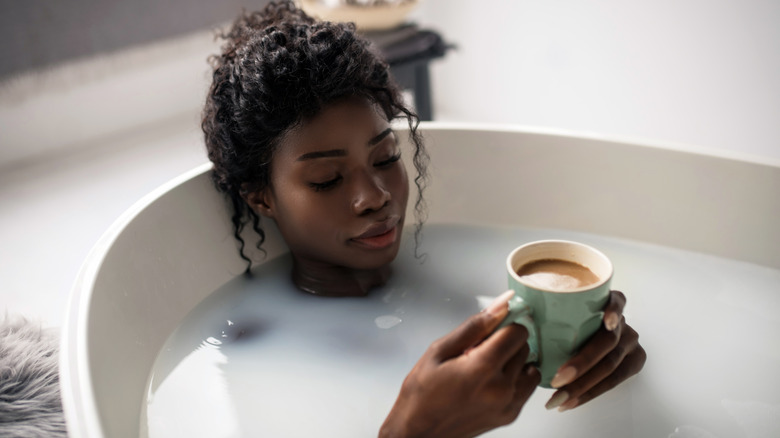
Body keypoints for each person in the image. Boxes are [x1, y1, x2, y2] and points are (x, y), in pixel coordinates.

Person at [201, 2, 646, 437]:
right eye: (327, 179)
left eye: (386, 157)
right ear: (262, 199)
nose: (375, 198)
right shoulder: (256, 356)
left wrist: (587, 345)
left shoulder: (451, 289)